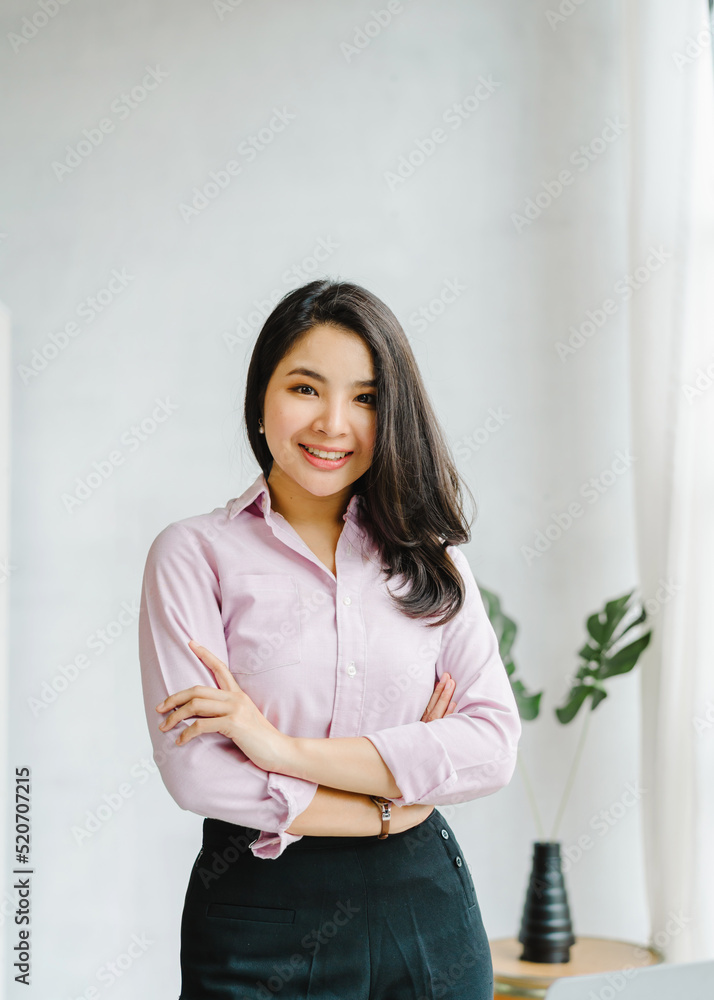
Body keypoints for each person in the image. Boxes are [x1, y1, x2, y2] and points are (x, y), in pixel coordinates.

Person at [138, 278, 522, 1000]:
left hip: (426, 913)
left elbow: (492, 745)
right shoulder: (194, 555)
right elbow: (200, 774)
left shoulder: (433, 562)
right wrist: (394, 803)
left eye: (367, 398)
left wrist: (279, 749)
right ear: (261, 400)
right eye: (306, 388)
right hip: (257, 916)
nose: (334, 424)